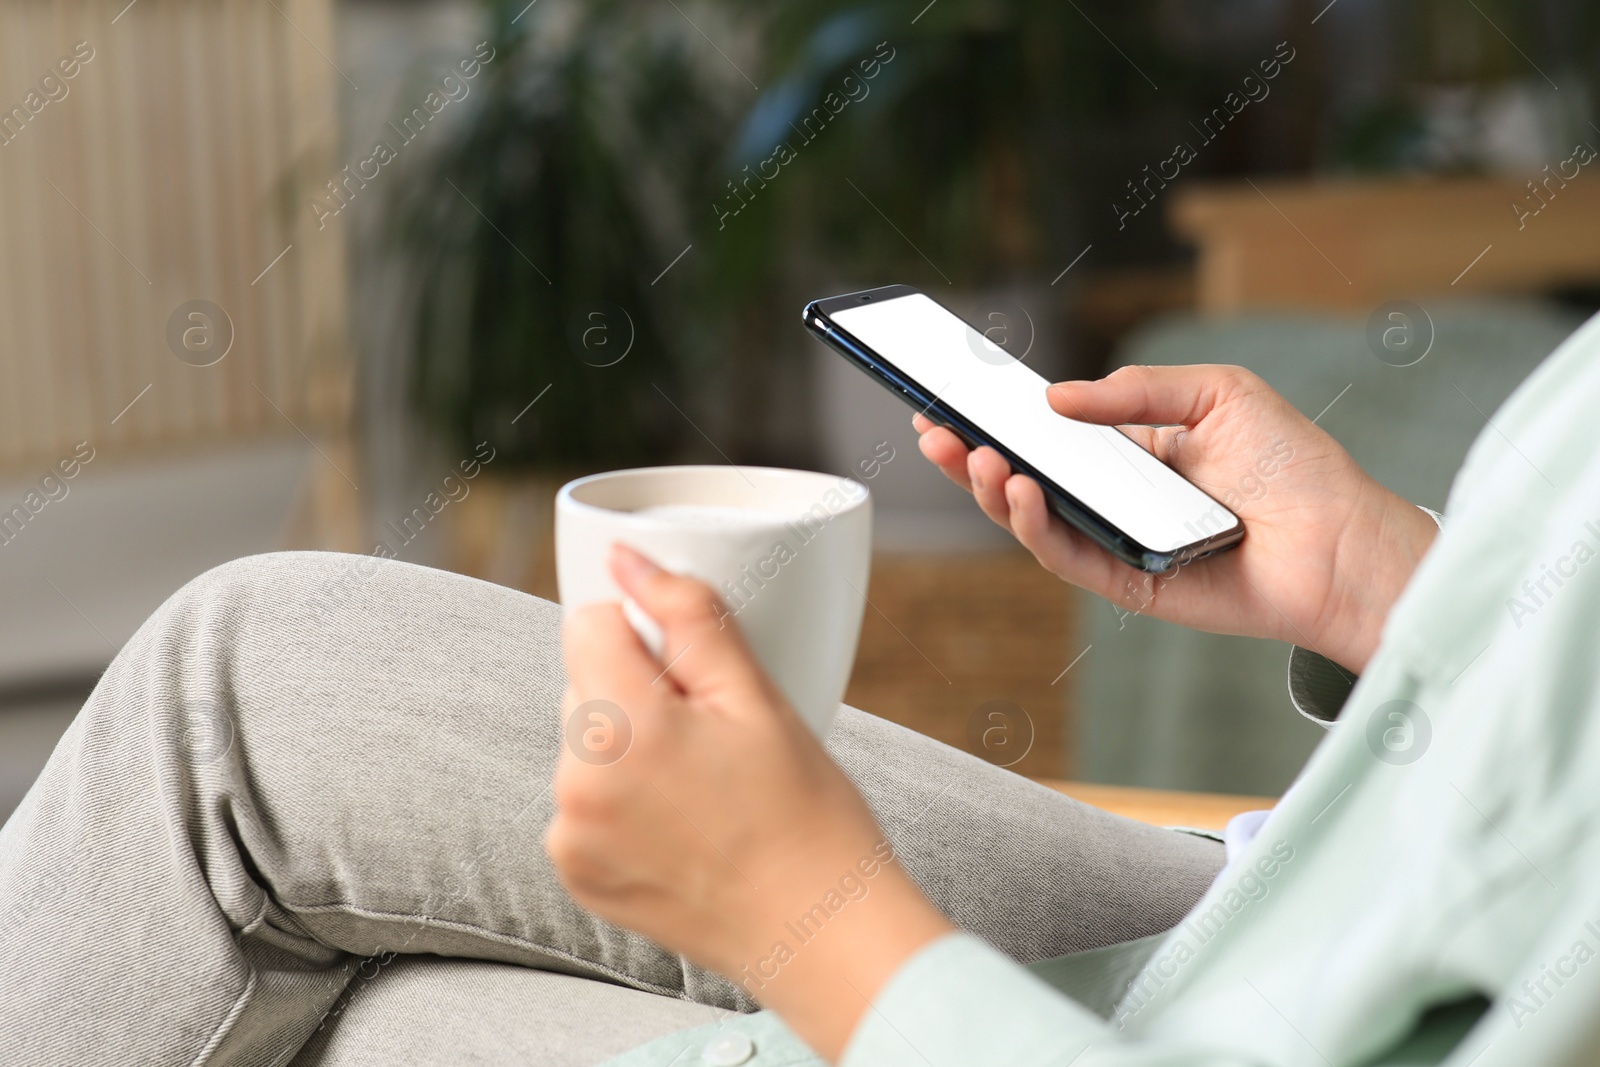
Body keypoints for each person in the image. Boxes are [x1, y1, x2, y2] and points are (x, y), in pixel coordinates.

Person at [4, 314, 1599, 1066]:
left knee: (261, 808)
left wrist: (812, 919)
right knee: (251, 728)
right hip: (1288, 915)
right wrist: (1402, 588)